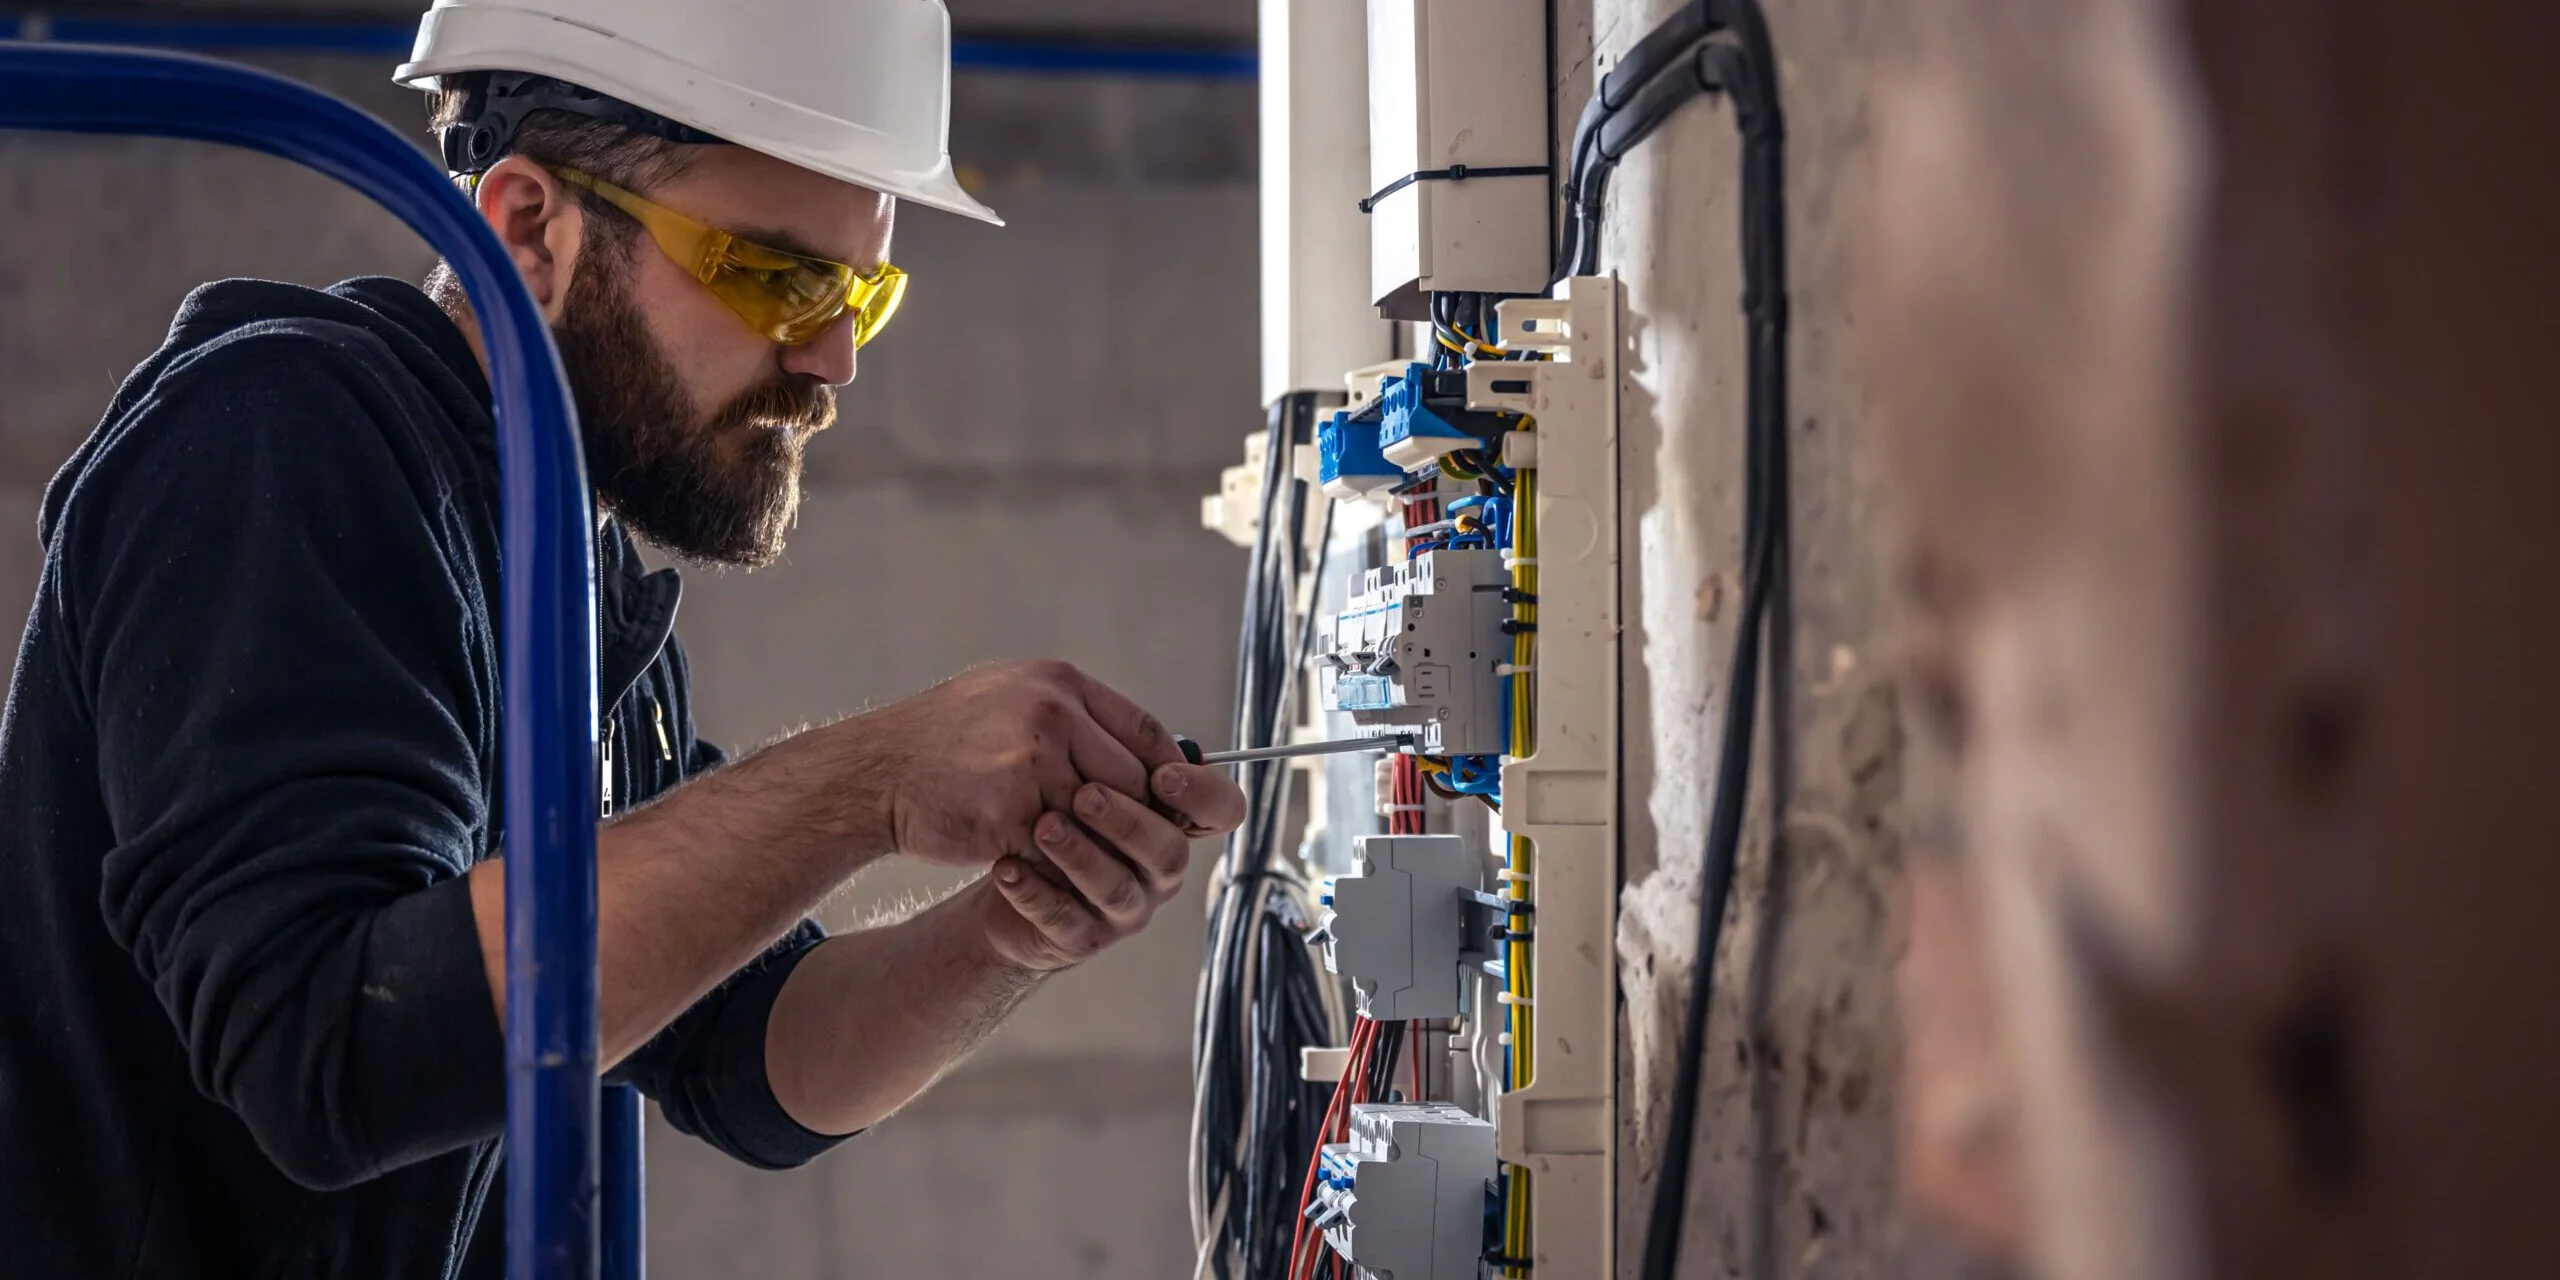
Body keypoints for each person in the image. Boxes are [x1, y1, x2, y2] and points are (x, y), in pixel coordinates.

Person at [0, 2, 1245, 1275]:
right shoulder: (282, 441)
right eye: (777, 276)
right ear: (530, 229)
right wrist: (874, 777)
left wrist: (1011, 929)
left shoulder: (566, 566)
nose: (834, 357)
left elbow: (751, 1056)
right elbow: (335, 1055)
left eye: (863, 286)